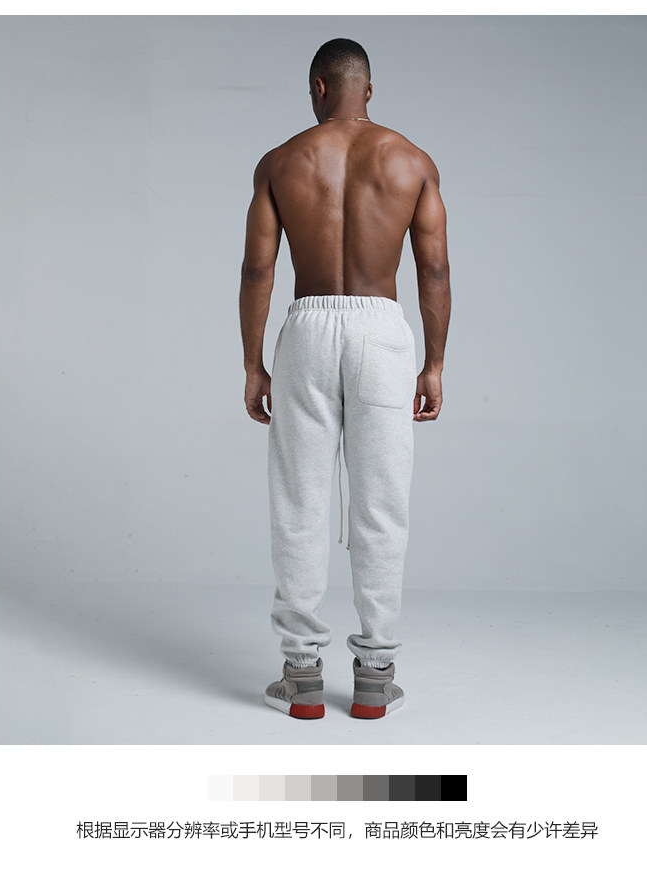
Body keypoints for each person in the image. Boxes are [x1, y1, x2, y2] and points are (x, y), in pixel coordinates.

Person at [239, 38, 451, 719]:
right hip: (382, 331)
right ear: (369, 89)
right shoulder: (412, 160)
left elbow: (258, 270)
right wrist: (434, 362)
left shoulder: (281, 161)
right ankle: (375, 674)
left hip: (306, 327)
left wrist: (253, 362)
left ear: (319, 88)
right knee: (381, 505)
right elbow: (433, 269)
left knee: (300, 501)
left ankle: (301, 674)